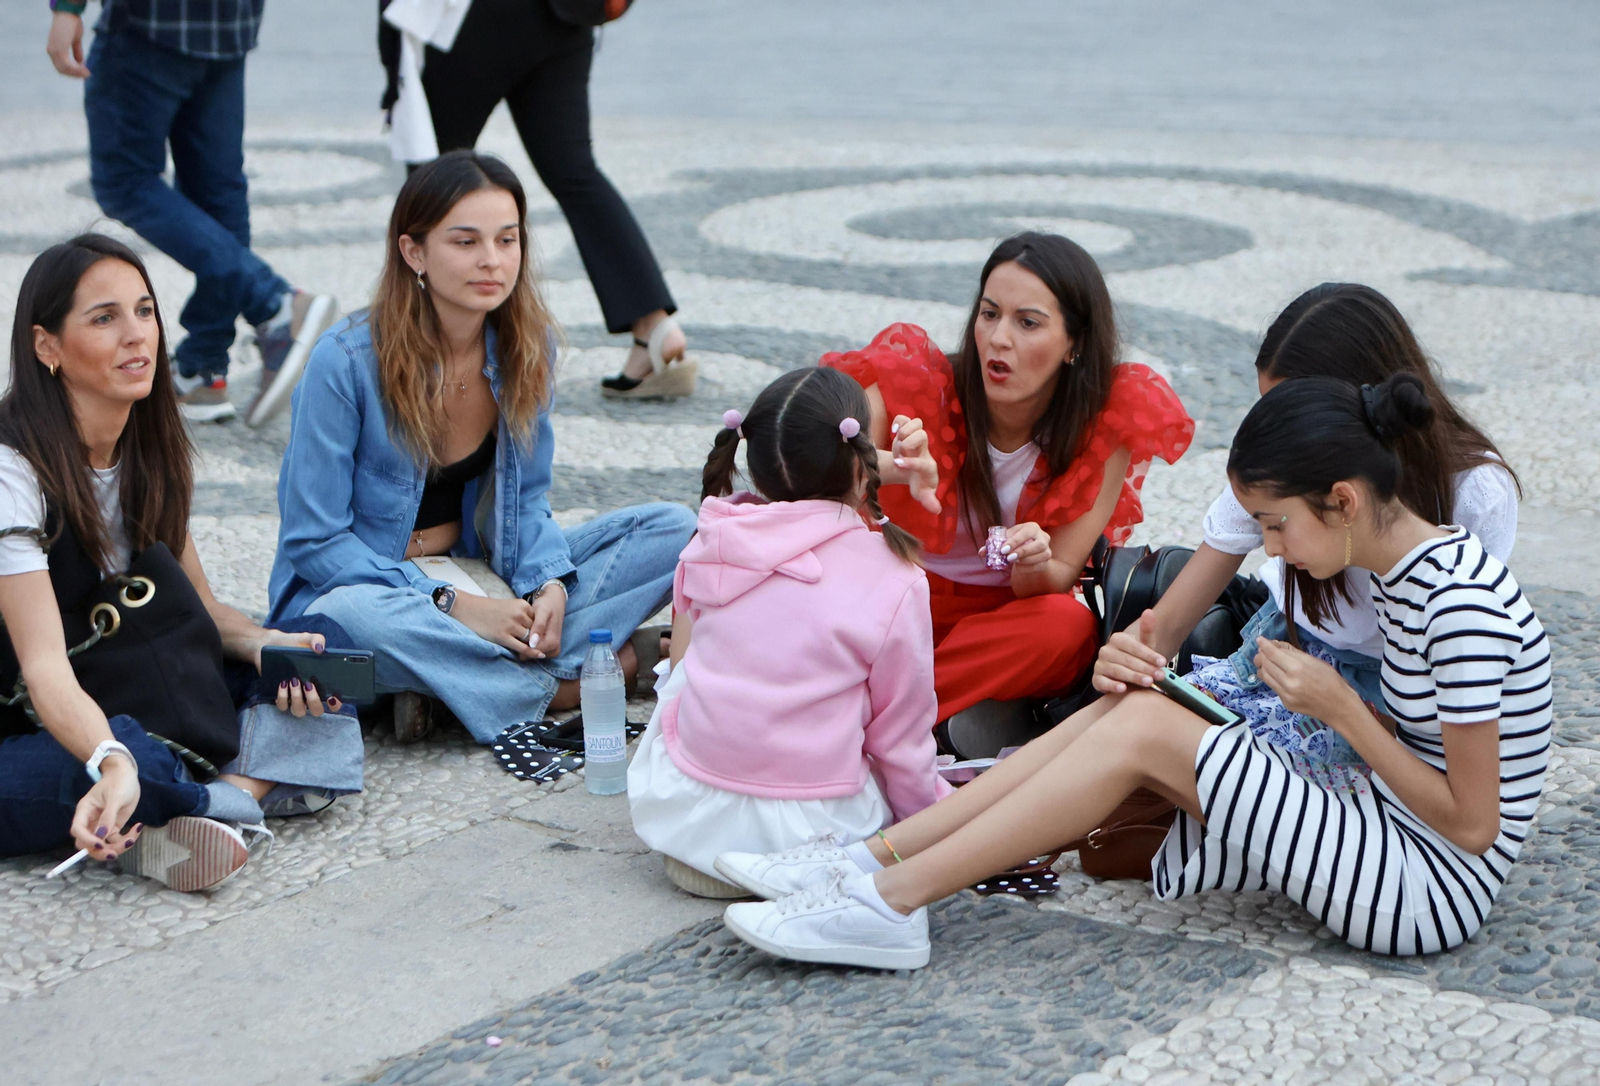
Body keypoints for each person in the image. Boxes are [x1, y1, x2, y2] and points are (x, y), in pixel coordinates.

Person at [714, 373, 1551, 968]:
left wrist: (1341, 710)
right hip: (1378, 826)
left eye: (1276, 524)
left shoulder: (1456, 603)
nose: (1270, 547)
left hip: (1425, 887)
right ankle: (873, 862)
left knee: (1148, 722)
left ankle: (891, 903)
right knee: (1144, 700)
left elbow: (1472, 826)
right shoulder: (1416, 573)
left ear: (1345, 500)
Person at [267, 150, 696, 745]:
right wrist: (453, 605)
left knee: (674, 529)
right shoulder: (343, 363)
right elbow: (314, 543)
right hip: (374, 591)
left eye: (507, 239)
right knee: (345, 622)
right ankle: (560, 685)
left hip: (481, 574)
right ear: (414, 252)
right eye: (466, 242)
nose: (492, 260)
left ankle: (447, 687)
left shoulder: (526, 347)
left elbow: (528, 503)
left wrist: (546, 585)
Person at [0, 234, 364, 891]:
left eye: (144, 311)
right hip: (32, 719)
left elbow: (200, 610)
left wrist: (264, 645)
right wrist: (111, 759)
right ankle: (196, 795)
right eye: (104, 318)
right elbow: (44, 666)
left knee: (323, 650)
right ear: (46, 346)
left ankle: (218, 802)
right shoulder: (13, 473)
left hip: (134, 682)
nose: (136, 335)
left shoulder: (147, 448)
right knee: (122, 758)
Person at [1092, 284, 1520, 773]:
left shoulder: (1473, 492)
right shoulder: (1282, 467)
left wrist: (1348, 712)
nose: (1272, 434)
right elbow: (1165, 626)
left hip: (1386, 710)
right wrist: (1128, 658)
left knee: (1168, 763)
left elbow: (1454, 696)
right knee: (1120, 745)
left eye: (1288, 411)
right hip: (1282, 654)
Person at [821, 232, 1194, 725]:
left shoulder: (1104, 420)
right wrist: (889, 467)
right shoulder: (913, 386)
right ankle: (899, 714)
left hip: (999, 625)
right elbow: (819, 488)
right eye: (990, 314)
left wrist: (1033, 562)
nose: (999, 338)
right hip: (892, 596)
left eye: (1028, 322)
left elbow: (1058, 576)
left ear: (1075, 344)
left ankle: (869, 714)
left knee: (1066, 627)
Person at [628, 367, 952, 897]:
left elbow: (683, 670)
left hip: (685, 822)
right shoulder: (895, 577)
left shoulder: (714, 537)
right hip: (816, 832)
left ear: (755, 466)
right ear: (860, 462)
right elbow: (900, 741)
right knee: (871, 727)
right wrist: (931, 823)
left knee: (689, 668)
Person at [377, 0, 692, 401]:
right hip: (564, 16)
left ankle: (424, 352)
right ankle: (654, 325)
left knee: (433, 180)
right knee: (575, 173)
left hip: (477, 19)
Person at [44, 0, 338, 427]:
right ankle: (204, 366)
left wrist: (67, 7)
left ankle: (273, 302)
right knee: (216, 192)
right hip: (231, 23)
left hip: (150, 22)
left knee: (123, 180)